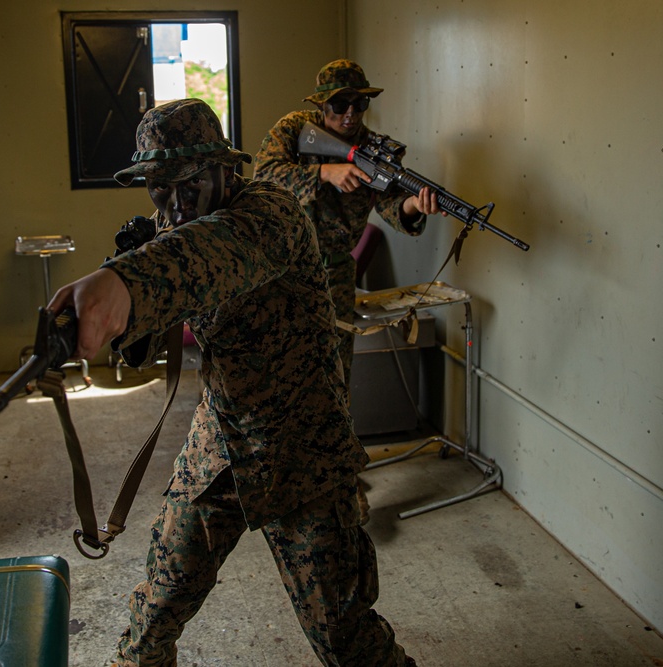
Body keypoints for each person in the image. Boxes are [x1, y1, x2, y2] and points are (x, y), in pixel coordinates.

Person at [48, 99, 415, 667]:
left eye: (186, 185)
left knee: (345, 635)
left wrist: (126, 283)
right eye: (157, 189)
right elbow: (154, 322)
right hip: (220, 439)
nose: (173, 204)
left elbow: (210, 254)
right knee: (158, 604)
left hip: (300, 449)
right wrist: (123, 303)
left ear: (225, 170)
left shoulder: (271, 215)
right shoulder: (177, 224)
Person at [254, 59, 443, 386]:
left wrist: (415, 204)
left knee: (334, 372)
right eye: (340, 104)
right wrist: (325, 173)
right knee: (278, 370)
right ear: (321, 104)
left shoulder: (375, 152)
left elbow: (391, 207)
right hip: (281, 270)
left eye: (360, 103)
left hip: (335, 274)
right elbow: (263, 178)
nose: (350, 113)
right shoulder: (295, 129)